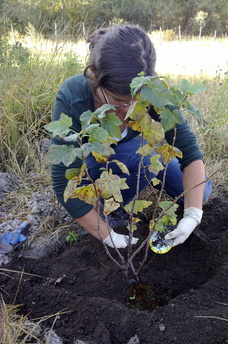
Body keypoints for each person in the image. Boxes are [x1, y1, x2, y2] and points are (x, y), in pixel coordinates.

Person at [51, 24, 212, 250]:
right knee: (143, 158)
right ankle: (111, 209)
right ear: (95, 77)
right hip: (92, 170)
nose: (128, 109)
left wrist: (193, 215)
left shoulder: (154, 91)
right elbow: (61, 181)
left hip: (135, 156)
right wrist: (109, 237)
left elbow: (189, 149)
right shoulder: (73, 95)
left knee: (200, 192)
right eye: (119, 101)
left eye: (136, 101)